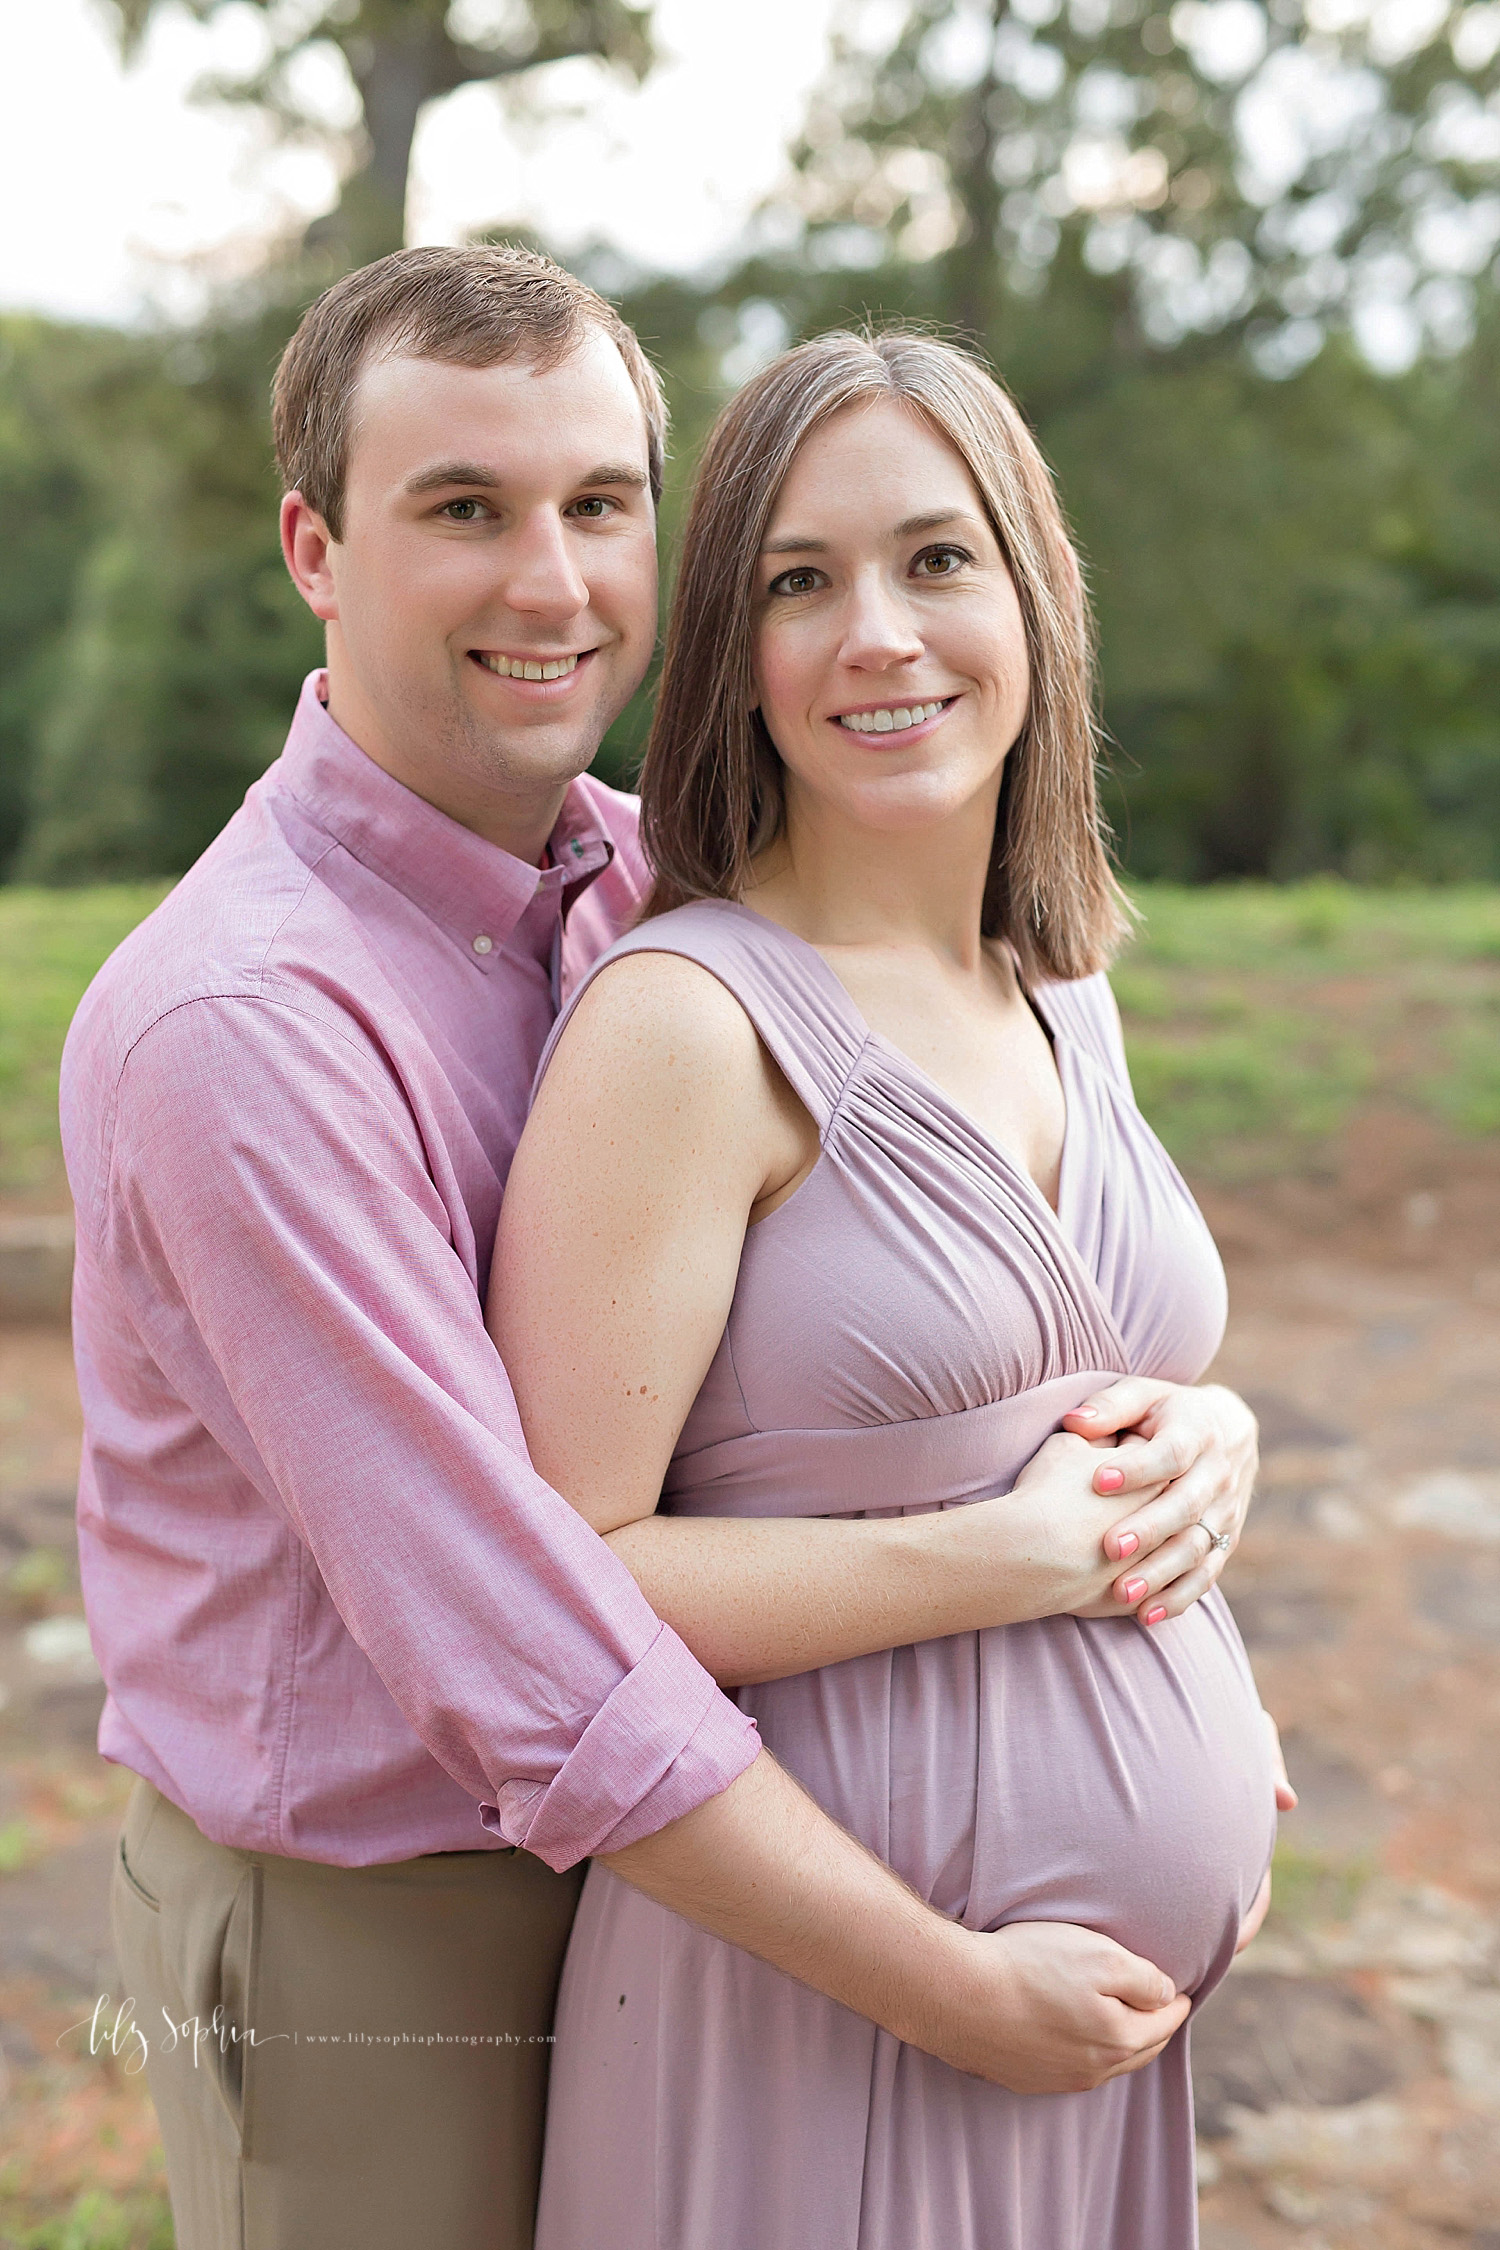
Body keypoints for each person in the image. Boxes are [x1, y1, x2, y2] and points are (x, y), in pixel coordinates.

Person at [62, 247, 1272, 2250]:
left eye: (599, 505)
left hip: (700, 1860)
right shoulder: (241, 1032)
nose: (551, 582)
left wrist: (1185, 1473)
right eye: (463, 509)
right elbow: (527, 1631)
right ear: (315, 545)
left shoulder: (640, 879)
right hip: (393, 1925)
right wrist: (959, 1958)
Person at [490, 327, 1286, 2250]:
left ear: (1033, 593)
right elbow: (558, 1577)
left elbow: (1076, 1373)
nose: (878, 633)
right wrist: (1032, 1560)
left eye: (938, 559)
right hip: (809, 2005)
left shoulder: (1058, 984)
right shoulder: (685, 1031)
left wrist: (1213, 1439)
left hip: (1084, 2057)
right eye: (798, 580)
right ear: (736, 649)